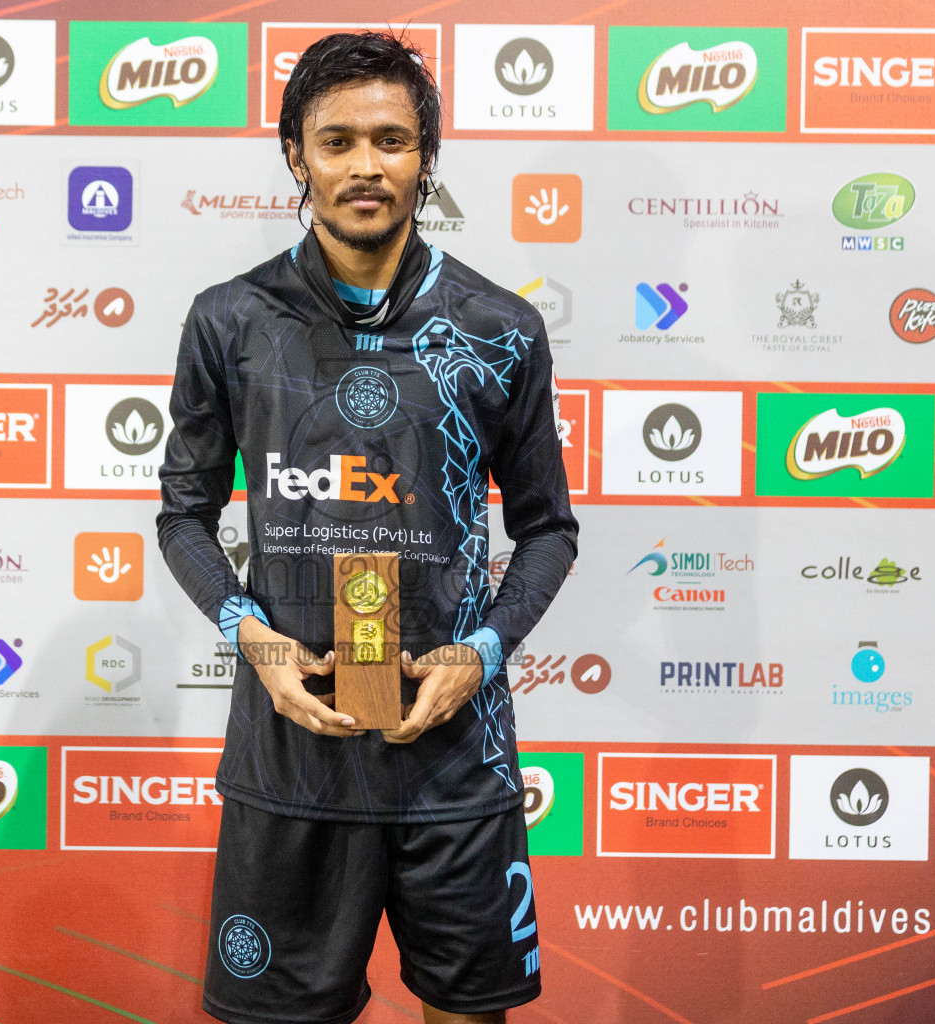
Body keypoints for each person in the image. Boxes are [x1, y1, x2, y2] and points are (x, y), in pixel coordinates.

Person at [157, 30, 578, 1024]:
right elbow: (183, 516)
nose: (365, 166)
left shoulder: (497, 327)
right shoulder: (230, 322)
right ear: (295, 155)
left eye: (390, 140)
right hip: (291, 758)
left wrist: (479, 653)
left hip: (454, 766)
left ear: (426, 157)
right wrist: (247, 636)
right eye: (336, 140)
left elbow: (549, 530)